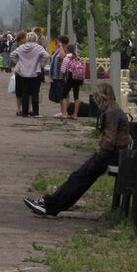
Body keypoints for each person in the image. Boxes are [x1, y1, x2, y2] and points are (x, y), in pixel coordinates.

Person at [23, 81, 130, 216]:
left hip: (109, 156)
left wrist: (98, 158)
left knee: (78, 179)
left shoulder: (111, 114)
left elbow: (109, 141)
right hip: (115, 155)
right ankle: (51, 204)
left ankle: (49, 204)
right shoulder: (115, 111)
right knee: (79, 179)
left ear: (101, 98)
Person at [10, 30, 48, 117]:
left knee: (24, 93)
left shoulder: (22, 47)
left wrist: (19, 63)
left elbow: (12, 55)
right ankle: (35, 112)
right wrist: (41, 64)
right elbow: (46, 56)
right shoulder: (38, 47)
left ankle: (24, 112)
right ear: (35, 38)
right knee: (35, 92)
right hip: (35, 72)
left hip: (23, 73)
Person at [48, 34, 70, 118]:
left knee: (62, 95)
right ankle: (63, 111)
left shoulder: (65, 50)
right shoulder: (59, 50)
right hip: (56, 76)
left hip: (61, 76)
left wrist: (61, 47)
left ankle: (64, 113)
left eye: (58, 42)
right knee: (62, 95)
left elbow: (62, 56)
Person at [62, 44, 86, 118]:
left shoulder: (66, 58)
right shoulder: (77, 58)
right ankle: (75, 115)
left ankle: (64, 113)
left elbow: (62, 70)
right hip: (78, 79)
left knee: (64, 95)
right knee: (76, 96)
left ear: (67, 50)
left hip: (70, 78)